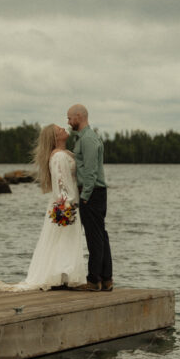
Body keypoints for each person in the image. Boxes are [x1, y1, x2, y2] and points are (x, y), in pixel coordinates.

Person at [0, 124, 87, 291]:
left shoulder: (65, 153)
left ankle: (63, 274)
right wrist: (67, 202)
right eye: (59, 129)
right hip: (65, 203)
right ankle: (59, 274)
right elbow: (61, 181)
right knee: (63, 238)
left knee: (65, 239)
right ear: (54, 138)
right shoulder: (59, 156)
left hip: (69, 201)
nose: (63, 129)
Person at [67, 103, 113, 291]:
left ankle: (94, 280)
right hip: (94, 192)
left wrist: (85, 195)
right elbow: (83, 163)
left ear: (79, 116)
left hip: (92, 193)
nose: (68, 122)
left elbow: (91, 171)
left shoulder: (88, 139)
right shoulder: (83, 138)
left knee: (95, 237)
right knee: (100, 235)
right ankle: (106, 279)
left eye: (70, 118)